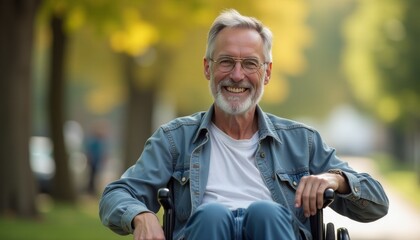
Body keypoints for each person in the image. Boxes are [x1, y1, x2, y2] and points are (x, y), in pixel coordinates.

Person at [99, 9, 389, 240]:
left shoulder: (302, 142)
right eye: (226, 62)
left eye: (250, 64)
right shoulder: (175, 139)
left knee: (266, 213)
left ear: (267, 73)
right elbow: (116, 194)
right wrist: (141, 215)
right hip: (205, 232)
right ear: (207, 68)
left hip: (273, 230)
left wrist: (335, 179)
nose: (237, 75)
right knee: (211, 215)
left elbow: (377, 203)